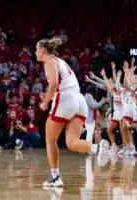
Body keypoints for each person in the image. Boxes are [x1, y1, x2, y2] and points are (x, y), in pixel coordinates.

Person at [36, 36, 109, 187]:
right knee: (71, 142)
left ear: (43, 50)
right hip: (79, 100)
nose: (35, 52)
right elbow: (62, 84)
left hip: (66, 99)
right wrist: (52, 95)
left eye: (36, 49)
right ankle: (96, 147)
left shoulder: (49, 61)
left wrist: (46, 102)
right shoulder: (60, 61)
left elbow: (55, 83)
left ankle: (55, 177)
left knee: (50, 139)